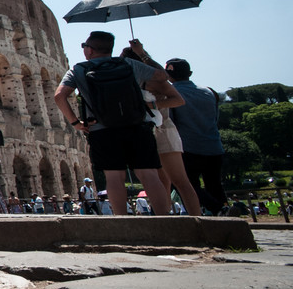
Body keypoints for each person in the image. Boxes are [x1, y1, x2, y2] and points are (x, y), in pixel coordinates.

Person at [54, 30, 172, 216]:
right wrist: (142, 53)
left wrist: (76, 123)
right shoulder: (129, 63)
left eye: (85, 46)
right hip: (136, 125)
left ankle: (122, 222)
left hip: (102, 129)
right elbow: (163, 76)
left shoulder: (79, 69)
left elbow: (59, 96)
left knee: (114, 177)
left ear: (90, 50)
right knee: (149, 175)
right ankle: (166, 220)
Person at [122, 41, 201, 216]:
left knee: (180, 180)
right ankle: (164, 218)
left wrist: (151, 104)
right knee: (159, 181)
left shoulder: (154, 79)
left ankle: (199, 220)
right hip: (143, 132)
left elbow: (178, 100)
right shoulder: (129, 82)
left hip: (163, 129)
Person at [165, 57, 226, 216]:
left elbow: (172, 121)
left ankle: (216, 210)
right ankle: (224, 214)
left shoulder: (172, 95)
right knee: (214, 184)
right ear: (190, 73)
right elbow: (215, 119)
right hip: (213, 145)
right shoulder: (209, 91)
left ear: (168, 76)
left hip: (188, 147)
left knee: (185, 184)